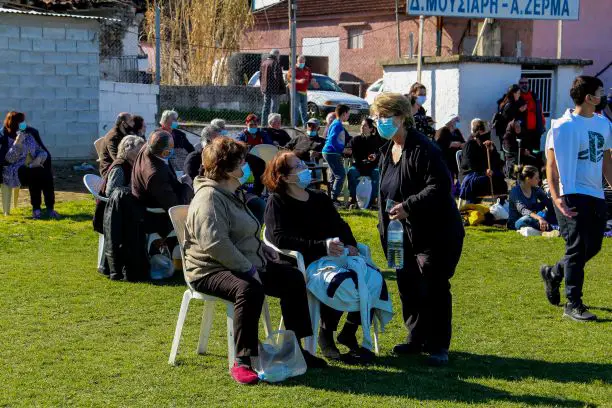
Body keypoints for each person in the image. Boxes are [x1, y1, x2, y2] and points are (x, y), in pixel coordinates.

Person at [184, 138, 326, 385]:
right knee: (249, 288)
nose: (246, 165)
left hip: (243, 260)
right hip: (209, 269)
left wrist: (262, 250)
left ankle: (295, 348)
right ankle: (243, 360)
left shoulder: (232, 192)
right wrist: (248, 268)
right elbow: (215, 244)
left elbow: (244, 232)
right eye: (242, 161)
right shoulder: (209, 198)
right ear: (228, 169)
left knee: (292, 277)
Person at [372, 93, 464, 366]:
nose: (379, 121)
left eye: (384, 116)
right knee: (407, 283)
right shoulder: (388, 150)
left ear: (401, 117)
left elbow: (440, 186)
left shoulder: (424, 148)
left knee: (434, 284)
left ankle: (438, 345)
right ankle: (416, 337)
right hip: (399, 233)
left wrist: (409, 206)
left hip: (434, 232)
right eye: (377, 116)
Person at [262, 151, 376, 363]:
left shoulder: (319, 198)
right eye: (298, 166)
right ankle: (325, 334)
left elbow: (340, 225)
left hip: (332, 256)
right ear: (284, 177)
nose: (305, 168)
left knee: (371, 278)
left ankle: (348, 330)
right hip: (301, 261)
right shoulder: (277, 201)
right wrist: (321, 247)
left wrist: (350, 243)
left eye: (302, 163)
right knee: (338, 282)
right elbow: (280, 239)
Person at [540, 76, 611, 322]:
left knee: (593, 246)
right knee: (577, 248)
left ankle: (553, 273)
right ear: (589, 98)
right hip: (570, 193)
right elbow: (551, 165)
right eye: (600, 91)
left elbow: (607, 160)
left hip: (596, 193)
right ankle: (573, 304)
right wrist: (556, 197)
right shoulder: (562, 126)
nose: (603, 95)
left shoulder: (603, 124)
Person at [131, 130, 192, 236]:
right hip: (156, 217)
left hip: (149, 203)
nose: (174, 150)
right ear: (165, 153)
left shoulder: (148, 147)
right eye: (171, 148)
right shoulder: (156, 174)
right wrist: (187, 185)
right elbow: (175, 207)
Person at [1, 111, 58, 219]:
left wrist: (39, 158)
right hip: (14, 171)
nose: (24, 123)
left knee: (46, 174)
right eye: (21, 121)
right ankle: (37, 209)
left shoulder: (29, 134)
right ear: (14, 123)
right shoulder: (6, 137)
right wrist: (17, 143)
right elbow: (9, 159)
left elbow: (41, 150)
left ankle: (49, 207)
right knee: (36, 174)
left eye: (24, 121)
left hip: (31, 167)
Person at [458, 119, 507, 202]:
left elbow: (498, 162)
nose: (488, 133)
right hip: (471, 175)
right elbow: (470, 164)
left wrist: (492, 151)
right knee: (483, 181)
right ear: (480, 131)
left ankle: (500, 206)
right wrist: (484, 171)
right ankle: (472, 206)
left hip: (486, 174)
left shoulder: (488, 144)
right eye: (487, 131)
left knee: (500, 179)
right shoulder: (470, 145)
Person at [347, 118, 384, 208]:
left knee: (377, 173)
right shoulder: (355, 139)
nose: (362, 127)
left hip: (372, 166)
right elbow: (347, 149)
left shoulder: (377, 140)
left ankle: (372, 200)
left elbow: (381, 153)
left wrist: (375, 156)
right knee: (351, 172)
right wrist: (347, 152)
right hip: (358, 166)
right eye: (361, 125)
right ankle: (353, 199)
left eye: (365, 125)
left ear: (371, 128)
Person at [507, 165, 555, 231]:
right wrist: (539, 218)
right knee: (526, 220)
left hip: (534, 218)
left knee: (549, 211)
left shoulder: (536, 189)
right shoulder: (515, 191)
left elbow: (547, 201)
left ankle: (550, 226)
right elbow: (523, 210)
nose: (539, 180)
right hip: (518, 221)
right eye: (536, 178)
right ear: (528, 179)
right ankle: (552, 228)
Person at [322, 104, 350, 205]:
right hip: (332, 152)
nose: (348, 116)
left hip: (330, 152)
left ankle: (329, 198)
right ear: (344, 113)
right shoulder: (337, 124)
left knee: (334, 176)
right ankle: (333, 199)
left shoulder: (335, 123)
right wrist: (342, 150)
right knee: (340, 175)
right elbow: (332, 139)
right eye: (348, 113)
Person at [99, 112, 134, 177]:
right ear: (124, 124)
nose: (133, 124)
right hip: (110, 171)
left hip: (122, 167)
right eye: (131, 121)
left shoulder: (124, 133)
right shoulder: (113, 137)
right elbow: (117, 159)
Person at [286, 55, 316, 127]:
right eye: (300, 61)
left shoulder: (307, 69)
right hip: (295, 91)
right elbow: (289, 79)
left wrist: (313, 81)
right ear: (297, 61)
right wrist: (298, 81)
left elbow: (310, 77)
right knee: (295, 108)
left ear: (305, 61)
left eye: (303, 61)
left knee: (304, 109)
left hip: (304, 91)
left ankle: (305, 125)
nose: (301, 63)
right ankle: (294, 125)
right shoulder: (293, 69)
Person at [518, 77, 546, 154]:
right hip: (524, 131)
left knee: (536, 150)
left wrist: (543, 124)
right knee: (526, 152)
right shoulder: (518, 97)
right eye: (522, 83)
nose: (524, 85)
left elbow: (539, 111)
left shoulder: (534, 96)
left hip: (535, 130)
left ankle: (536, 161)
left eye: (526, 83)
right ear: (519, 85)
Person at [434, 114, 465, 180]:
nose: (456, 123)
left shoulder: (456, 131)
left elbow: (462, 141)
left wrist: (462, 144)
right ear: (450, 121)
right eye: (455, 121)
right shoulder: (442, 131)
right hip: (446, 160)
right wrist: (450, 144)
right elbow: (438, 143)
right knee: (449, 178)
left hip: (456, 160)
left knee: (459, 177)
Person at [260, 49, 284, 125]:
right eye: (279, 55)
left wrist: (262, 88)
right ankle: (272, 124)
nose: (279, 57)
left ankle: (263, 124)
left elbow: (260, 76)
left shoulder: (264, 63)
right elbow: (277, 77)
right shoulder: (275, 63)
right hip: (274, 89)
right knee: (274, 107)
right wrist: (281, 87)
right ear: (276, 55)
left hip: (265, 88)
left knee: (266, 106)